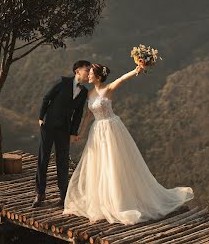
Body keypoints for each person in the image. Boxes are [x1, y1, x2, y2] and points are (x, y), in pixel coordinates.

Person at [63, 62, 194, 224]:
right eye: (88, 72)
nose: (88, 75)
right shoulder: (89, 94)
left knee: (114, 163)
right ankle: (104, 200)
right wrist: (80, 134)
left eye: (91, 73)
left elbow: (123, 78)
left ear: (98, 76)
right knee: (100, 164)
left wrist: (137, 69)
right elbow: (87, 117)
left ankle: (119, 201)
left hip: (111, 128)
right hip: (97, 131)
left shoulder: (108, 88)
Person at [33, 60, 91, 208]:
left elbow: (78, 114)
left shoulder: (84, 92)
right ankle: (40, 194)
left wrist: (73, 132)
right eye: (87, 69)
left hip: (64, 130)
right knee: (43, 159)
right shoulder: (63, 82)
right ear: (77, 71)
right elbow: (47, 97)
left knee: (63, 162)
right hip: (49, 125)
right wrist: (41, 117)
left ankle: (63, 196)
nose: (89, 72)